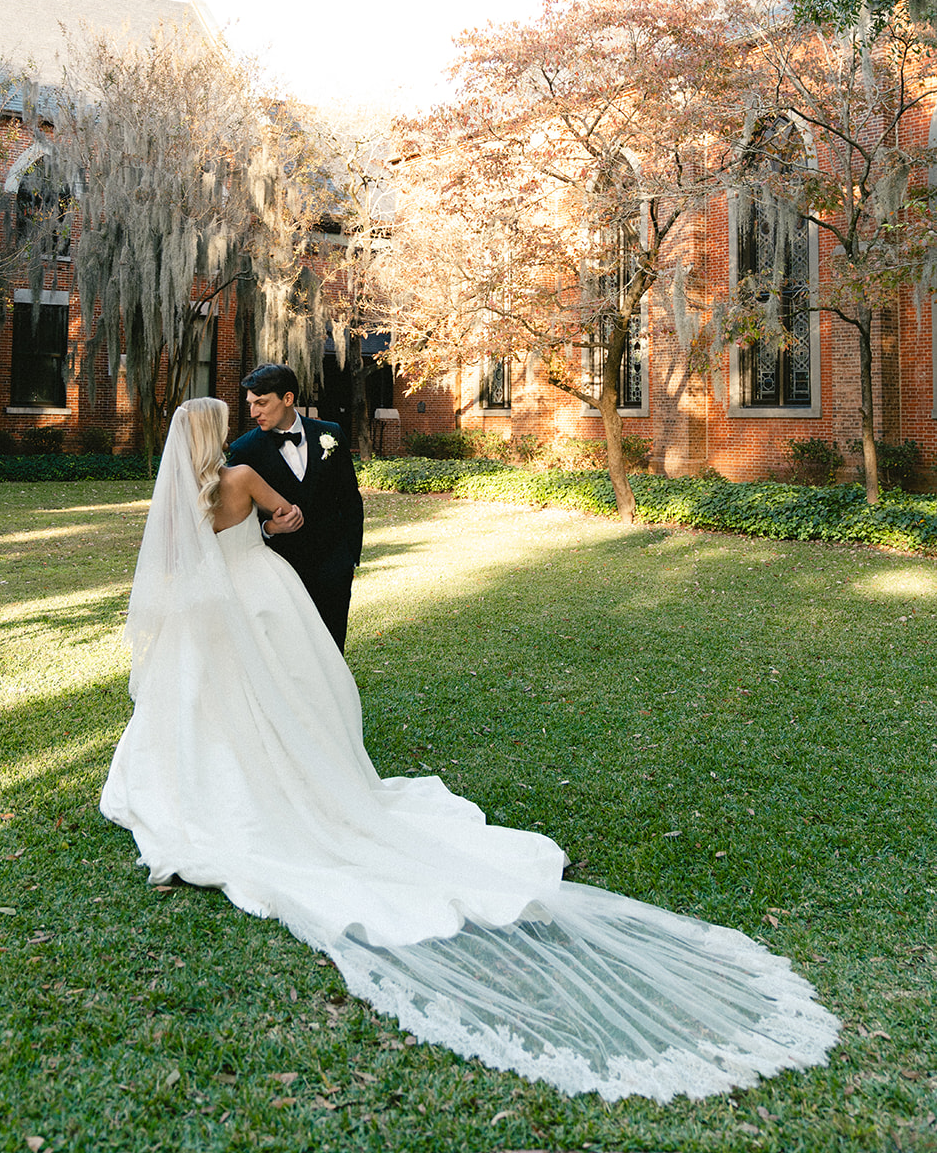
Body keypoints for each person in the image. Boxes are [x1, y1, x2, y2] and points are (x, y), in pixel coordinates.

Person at [101, 399, 839, 1103]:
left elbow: (171, 568)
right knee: (292, 695)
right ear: (216, 436)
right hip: (264, 595)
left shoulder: (183, 498)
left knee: (213, 703)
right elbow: (285, 516)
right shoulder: (241, 476)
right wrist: (281, 520)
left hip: (212, 612)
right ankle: (295, 774)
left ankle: (218, 784)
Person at [227, 362, 363, 652]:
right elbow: (233, 518)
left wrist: (349, 558)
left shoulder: (331, 434)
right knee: (288, 654)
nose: (253, 413)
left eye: (261, 403)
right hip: (278, 571)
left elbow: (350, 499)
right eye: (250, 404)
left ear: (287, 398)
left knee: (332, 649)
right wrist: (269, 528)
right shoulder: (244, 450)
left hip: (332, 568)